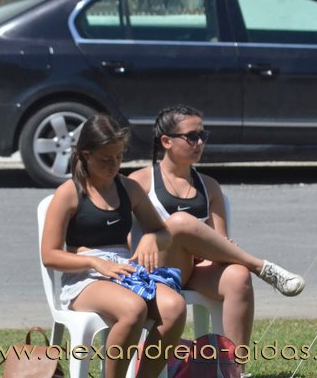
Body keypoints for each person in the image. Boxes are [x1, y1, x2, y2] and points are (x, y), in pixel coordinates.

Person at [129, 105, 304, 347]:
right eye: (192, 137)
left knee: (238, 276)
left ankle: (234, 367)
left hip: (194, 270)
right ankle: (259, 266)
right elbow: (128, 240)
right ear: (167, 141)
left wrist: (205, 249)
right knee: (179, 222)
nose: (200, 143)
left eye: (203, 135)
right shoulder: (140, 182)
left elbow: (220, 242)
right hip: (154, 272)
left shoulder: (209, 186)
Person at [41, 115, 187, 378]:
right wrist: (95, 263)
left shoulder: (128, 189)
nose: (114, 165)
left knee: (174, 307)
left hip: (124, 270)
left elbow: (162, 232)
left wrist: (150, 239)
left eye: (119, 157)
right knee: (132, 308)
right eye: (105, 159)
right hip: (84, 277)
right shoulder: (69, 193)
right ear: (85, 155)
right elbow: (50, 255)